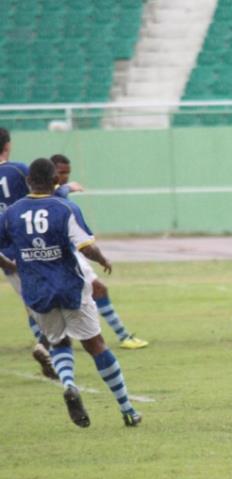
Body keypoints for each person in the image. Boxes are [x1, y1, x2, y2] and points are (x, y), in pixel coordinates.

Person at [0, 158, 142, 427]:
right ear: (56, 180)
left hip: (36, 291)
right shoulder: (65, 208)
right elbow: (85, 247)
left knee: (58, 342)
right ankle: (127, 409)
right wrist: (102, 259)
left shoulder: (12, 213)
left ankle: (68, 384)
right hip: (69, 287)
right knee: (95, 344)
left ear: (29, 181)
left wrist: (9, 264)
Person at [50, 154, 148, 350]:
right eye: (61, 173)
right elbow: (56, 199)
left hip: (70, 252)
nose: (65, 177)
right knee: (63, 301)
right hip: (64, 255)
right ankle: (49, 344)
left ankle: (123, 335)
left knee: (97, 289)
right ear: (51, 172)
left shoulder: (55, 191)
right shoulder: (51, 193)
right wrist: (67, 188)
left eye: (67, 173)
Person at [0, 127, 58, 379]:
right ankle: (45, 348)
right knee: (56, 307)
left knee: (34, 307)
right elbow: (42, 197)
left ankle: (48, 352)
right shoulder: (18, 170)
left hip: (5, 257)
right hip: (32, 250)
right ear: (7, 145)